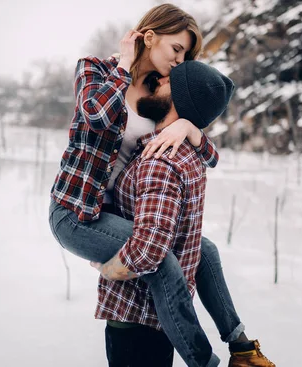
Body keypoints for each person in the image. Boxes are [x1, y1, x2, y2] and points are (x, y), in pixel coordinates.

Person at [48, 4, 274, 366]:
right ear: (150, 37)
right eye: (176, 50)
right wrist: (123, 66)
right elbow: (97, 115)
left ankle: (242, 345)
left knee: (206, 250)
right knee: (163, 261)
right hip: (77, 213)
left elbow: (210, 157)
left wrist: (189, 128)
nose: (178, 61)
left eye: (185, 55)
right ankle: (206, 362)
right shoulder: (96, 69)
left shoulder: (161, 93)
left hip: (119, 212)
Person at [91, 61, 275, 367]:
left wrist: (106, 267)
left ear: (180, 99)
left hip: (136, 321)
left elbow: (148, 250)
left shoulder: (158, 163)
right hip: (156, 323)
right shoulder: (190, 153)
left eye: (168, 80)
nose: (159, 79)